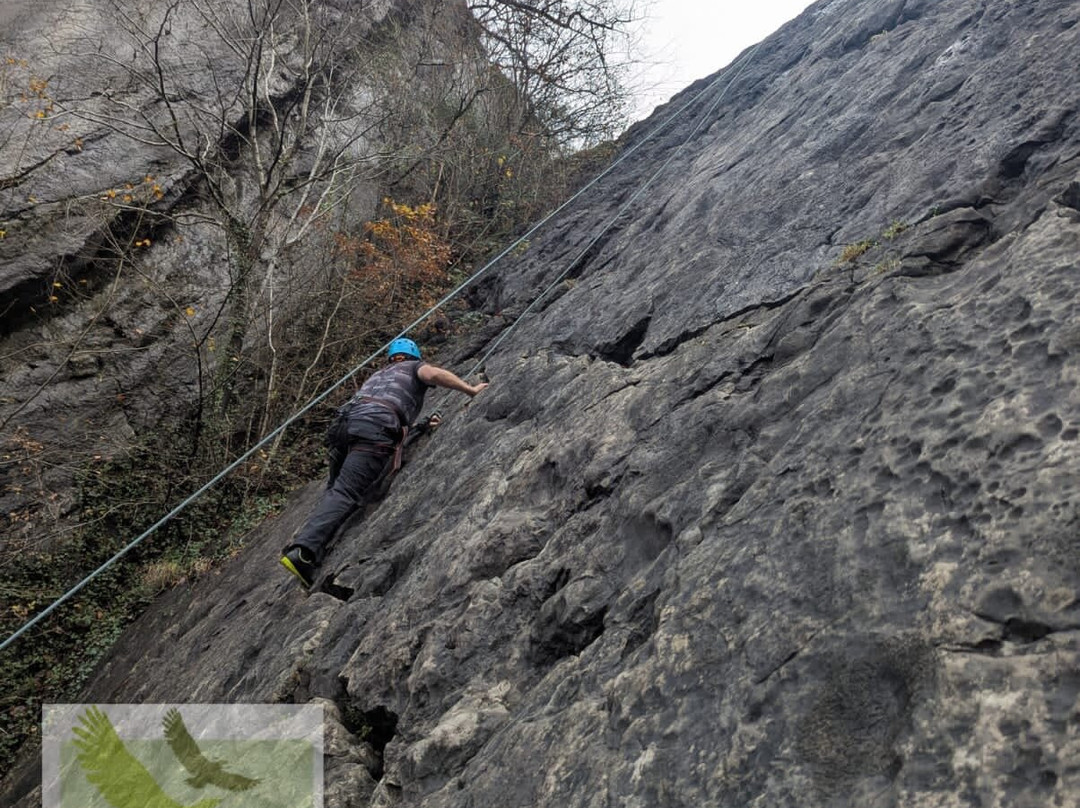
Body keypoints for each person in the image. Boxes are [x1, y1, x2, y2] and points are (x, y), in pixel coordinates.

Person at [280, 337, 488, 587]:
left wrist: (420, 426)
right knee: (347, 492)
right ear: (415, 356)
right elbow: (433, 375)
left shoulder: (380, 374)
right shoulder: (414, 367)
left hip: (344, 425)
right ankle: (303, 551)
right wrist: (470, 389)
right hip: (373, 426)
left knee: (335, 490)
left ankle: (310, 544)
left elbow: (385, 408)